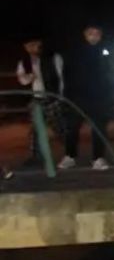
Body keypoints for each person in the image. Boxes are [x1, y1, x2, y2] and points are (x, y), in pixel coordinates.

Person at [61, 23, 114, 171]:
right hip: (77, 96)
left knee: (99, 128)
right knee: (72, 127)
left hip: (100, 98)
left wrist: (110, 94)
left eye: (97, 33)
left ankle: (98, 158)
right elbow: (67, 73)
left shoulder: (106, 51)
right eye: (91, 33)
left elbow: (113, 73)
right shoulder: (74, 51)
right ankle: (70, 156)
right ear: (85, 34)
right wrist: (67, 94)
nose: (94, 36)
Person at [15, 33, 64, 166]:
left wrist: (60, 96)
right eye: (28, 46)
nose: (31, 48)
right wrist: (28, 78)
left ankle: (70, 152)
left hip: (53, 97)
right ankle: (36, 157)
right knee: (36, 130)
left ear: (40, 44)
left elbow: (61, 77)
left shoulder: (53, 57)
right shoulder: (24, 61)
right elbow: (22, 80)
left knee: (60, 127)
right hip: (36, 98)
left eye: (34, 44)